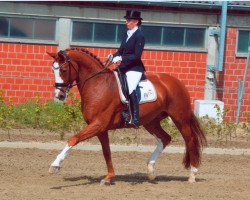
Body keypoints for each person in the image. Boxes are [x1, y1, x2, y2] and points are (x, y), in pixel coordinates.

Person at [109, 10, 145, 128]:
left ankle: (135, 118)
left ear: (136, 21)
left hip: (135, 68)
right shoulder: (126, 33)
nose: (126, 22)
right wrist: (113, 56)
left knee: (130, 88)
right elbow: (120, 50)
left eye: (128, 20)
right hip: (124, 67)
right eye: (126, 20)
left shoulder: (140, 36)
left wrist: (121, 58)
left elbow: (136, 56)